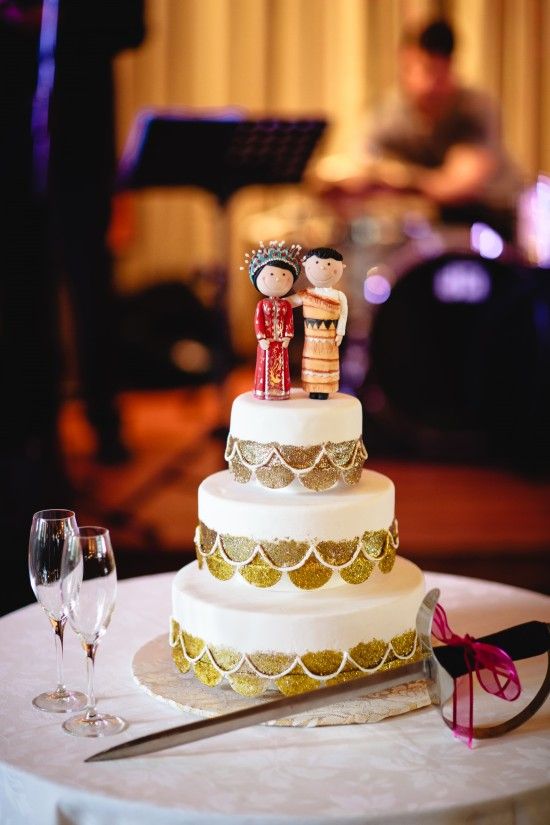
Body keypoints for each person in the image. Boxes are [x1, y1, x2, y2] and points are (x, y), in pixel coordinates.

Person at [321, 19, 523, 242]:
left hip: (493, 226)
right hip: (433, 231)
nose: (423, 82)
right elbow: (359, 166)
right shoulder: (391, 113)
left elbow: (457, 186)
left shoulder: (475, 108)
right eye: (411, 69)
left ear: (450, 66)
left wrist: (395, 178)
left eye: (432, 70)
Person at [245, 241, 301, 401]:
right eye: (271, 274)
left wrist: (287, 336)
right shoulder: (262, 304)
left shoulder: (286, 305)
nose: (277, 279)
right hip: (267, 341)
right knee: (265, 364)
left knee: (281, 366)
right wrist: (261, 338)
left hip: (280, 342)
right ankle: (263, 390)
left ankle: (280, 390)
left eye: (284, 275)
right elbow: (258, 322)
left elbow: (289, 321)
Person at [289, 248, 348, 399]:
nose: (322, 267)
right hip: (311, 339)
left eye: (329, 264)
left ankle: (324, 389)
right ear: (306, 266)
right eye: (316, 263)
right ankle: (313, 387)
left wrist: (340, 332)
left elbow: (343, 315)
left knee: (327, 365)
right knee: (312, 365)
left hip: (330, 337)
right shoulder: (306, 294)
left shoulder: (339, 296)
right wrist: (275, 301)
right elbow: (291, 302)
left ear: (341, 267)